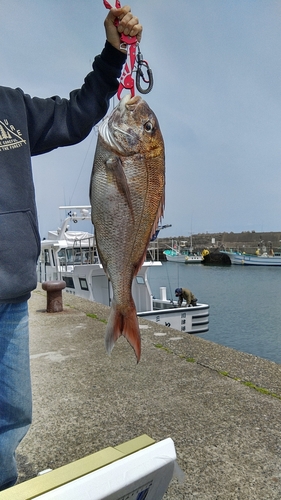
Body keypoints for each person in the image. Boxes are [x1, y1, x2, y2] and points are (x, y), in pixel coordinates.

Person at [0, 6, 142, 491]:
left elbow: (76, 114)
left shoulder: (13, 107)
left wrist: (112, 54)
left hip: (12, 300)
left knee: (11, 420)